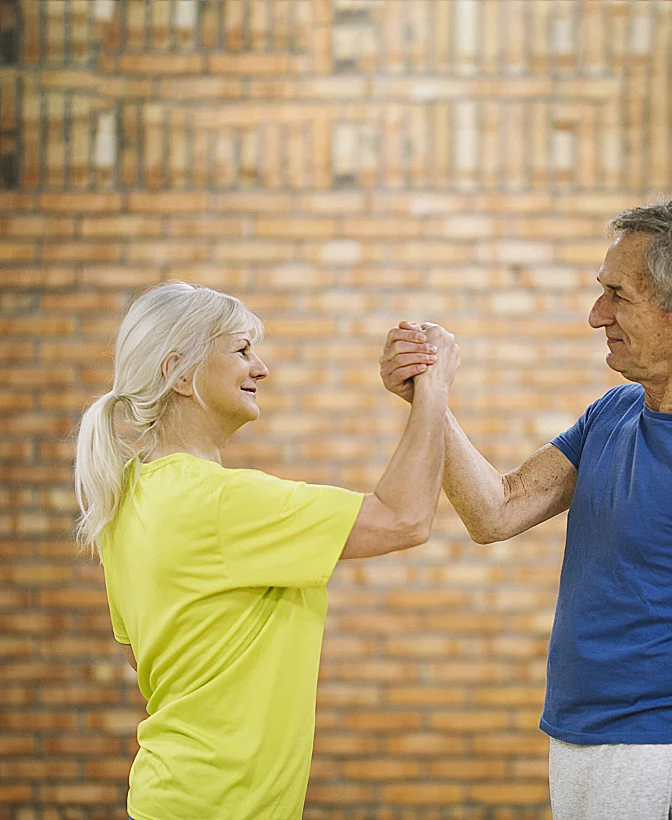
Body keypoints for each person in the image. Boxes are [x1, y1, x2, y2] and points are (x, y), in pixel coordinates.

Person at [380, 198, 672, 820]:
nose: (595, 315)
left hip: (657, 750)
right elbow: (496, 511)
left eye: (618, 295)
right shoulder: (614, 412)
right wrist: (429, 395)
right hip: (576, 737)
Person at [74, 281, 459, 820]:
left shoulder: (130, 499)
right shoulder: (217, 501)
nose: (261, 368)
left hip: (173, 796)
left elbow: (153, 655)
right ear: (180, 374)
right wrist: (434, 387)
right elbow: (405, 518)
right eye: (241, 350)